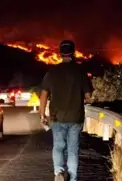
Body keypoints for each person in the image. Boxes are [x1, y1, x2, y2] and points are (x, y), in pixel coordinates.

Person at [40, 40, 93, 181]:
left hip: (57, 117)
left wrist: (42, 115)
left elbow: (44, 94)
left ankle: (58, 172)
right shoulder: (80, 72)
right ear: (73, 52)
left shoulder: (52, 72)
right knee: (72, 150)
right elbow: (88, 97)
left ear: (60, 53)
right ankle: (73, 178)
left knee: (58, 146)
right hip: (75, 117)